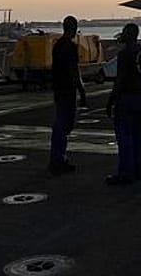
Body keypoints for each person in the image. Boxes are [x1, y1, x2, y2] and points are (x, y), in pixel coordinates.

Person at [105, 22, 141, 185]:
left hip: (127, 98)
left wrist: (111, 100)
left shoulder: (125, 54)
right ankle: (138, 169)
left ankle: (125, 173)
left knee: (124, 137)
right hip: (140, 97)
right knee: (138, 136)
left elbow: (120, 79)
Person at [48, 15, 88, 174]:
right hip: (67, 91)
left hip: (59, 90)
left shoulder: (57, 45)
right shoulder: (70, 47)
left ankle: (57, 157)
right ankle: (58, 159)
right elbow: (73, 70)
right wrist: (82, 90)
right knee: (64, 125)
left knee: (60, 124)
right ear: (73, 28)